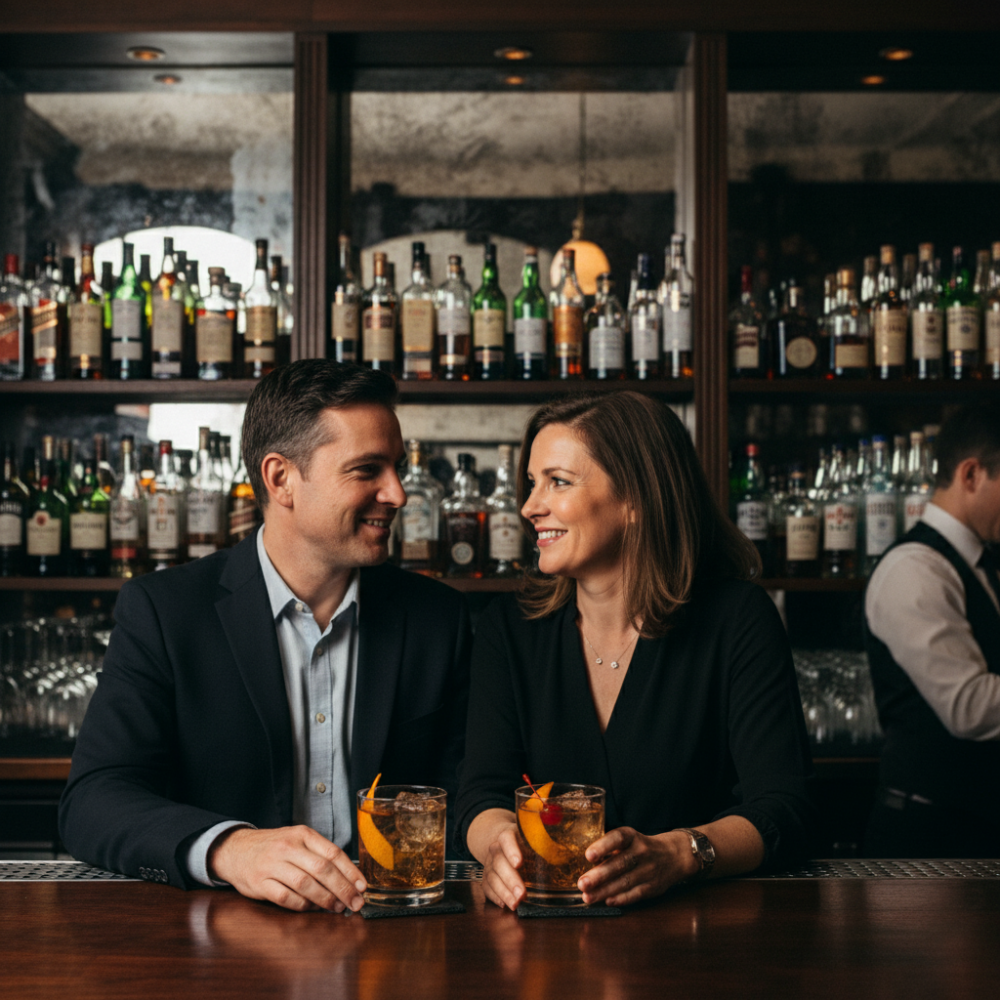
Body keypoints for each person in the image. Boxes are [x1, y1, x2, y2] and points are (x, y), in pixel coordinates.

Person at [59, 361, 471, 912]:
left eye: (395, 467)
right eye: (367, 470)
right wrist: (229, 848)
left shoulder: (438, 617)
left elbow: (466, 792)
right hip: (224, 932)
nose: (397, 493)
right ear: (280, 479)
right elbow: (92, 802)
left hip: (396, 930)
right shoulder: (166, 611)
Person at [457, 392, 814, 910]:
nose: (530, 506)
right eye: (532, 483)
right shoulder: (510, 629)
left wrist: (682, 854)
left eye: (558, 481)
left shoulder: (736, 619)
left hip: (703, 931)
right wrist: (497, 845)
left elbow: (784, 807)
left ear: (635, 499)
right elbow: (481, 794)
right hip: (546, 930)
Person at [864, 402, 1000, 858]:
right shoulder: (915, 568)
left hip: (976, 826)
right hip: (928, 839)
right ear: (971, 475)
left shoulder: (980, 564)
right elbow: (969, 706)